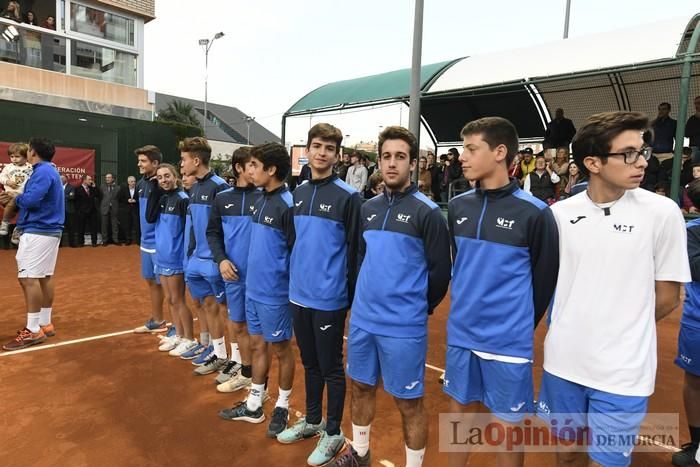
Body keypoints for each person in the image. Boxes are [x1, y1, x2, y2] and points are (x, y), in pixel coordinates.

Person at [536, 111, 691, 467]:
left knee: (606, 462)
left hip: (623, 372)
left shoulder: (663, 213)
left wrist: (623, 327)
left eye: (642, 152)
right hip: (563, 364)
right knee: (568, 457)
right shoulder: (560, 215)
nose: (641, 163)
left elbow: (668, 295)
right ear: (592, 162)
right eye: (628, 154)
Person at [330, 126, 451, 467]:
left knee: (408, 402)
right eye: (386, 156)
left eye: (400, 157)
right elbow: (359, 259)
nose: (392, 163)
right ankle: (361, 454)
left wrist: (417, 306)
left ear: (412, 163)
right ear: (378, 162)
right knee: (361, 387)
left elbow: (440, 272)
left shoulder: (427, 212)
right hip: (364, 321)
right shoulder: (367, 208)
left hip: (403, 326)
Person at [444, 117, 559, 467]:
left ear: (499, 152)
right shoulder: (458, 206)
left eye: (471, 149)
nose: (463, 156)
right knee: (459, 418)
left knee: (507, 429)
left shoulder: (535, 213)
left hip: (507, 342)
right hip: (462, 334)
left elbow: (544, 280)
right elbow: (459, 265)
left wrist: (517, 324)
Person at [276, 123, 361, 465]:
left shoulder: (349, 197)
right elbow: (293, 242)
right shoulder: (296, 194)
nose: (322, 152)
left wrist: (349, 297)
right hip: (299, 294)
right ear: (306, 151)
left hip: (330, 298)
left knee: (330, 367)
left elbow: (356, 251)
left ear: (337, 155)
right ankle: (313, 421)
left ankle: (334, 432)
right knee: (309, 362)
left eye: (329, 147)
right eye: (317, 146)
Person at [218, 143, 296, 440]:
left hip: (275, 294)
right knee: (257, 345)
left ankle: (283, 406)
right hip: (252, 290)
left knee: (282, 350)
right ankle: (255, 404)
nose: (248, 171)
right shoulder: (261, 199)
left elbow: (295, 254)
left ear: (271, 170)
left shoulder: (287, 205)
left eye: (254, 165)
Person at [206, 147, 262, 393]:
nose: (255, 169)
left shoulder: (266, 197)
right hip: (233, 275)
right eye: (251, 164)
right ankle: (247, 372)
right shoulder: (222, 199)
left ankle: (263, 382)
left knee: (262, 333)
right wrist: (221, 260)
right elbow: (213, 233)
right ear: (239, 168)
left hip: (262, 278)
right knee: (238, 325)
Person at [1, 138, 63, 350]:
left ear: (33, 152)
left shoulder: (42, 172)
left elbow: (32, 200)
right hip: (46, 230)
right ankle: (44, 323)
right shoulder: (48, 171)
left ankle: (33, 329)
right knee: (44, 276)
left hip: (39, 230)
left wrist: (15, 199)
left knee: (28, 278)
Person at [179, 136, 231, 376]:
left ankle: (225, 356)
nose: (182, 165)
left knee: (218, 307)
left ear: (196, 160)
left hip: (213, 260)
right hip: (197, 259)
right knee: (205, 304)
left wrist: (219, 257)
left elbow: (224, 227)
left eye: (184, 160)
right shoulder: (195, 186)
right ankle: (216, 352)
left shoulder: (219, 187)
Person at [145, 163, 198, 357]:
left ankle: (189, 339)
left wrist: (186, 256)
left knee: (178, 299)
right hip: (162, 256)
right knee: (170, 299)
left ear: (175, 176)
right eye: (159, 178)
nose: (164, 180)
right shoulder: (162, 197)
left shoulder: (183, 199)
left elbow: (189, 230)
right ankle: (178, 333)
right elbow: (149, 218)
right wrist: (153, 190)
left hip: (176, 258)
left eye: (167, 176)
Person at [673, 178, 700, 467]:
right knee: (695, 381)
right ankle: (696, 442)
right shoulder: (692, 232)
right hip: (698, 321)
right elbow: (695, 267)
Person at [132, 145, 168, 334]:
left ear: (155, 163)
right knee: (151, 282)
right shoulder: (140, 184)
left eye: (143, 161)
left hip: (160, 244)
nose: (139, 164)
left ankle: (178, 330)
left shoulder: (163, 186)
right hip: (145, 243)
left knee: (168, 287)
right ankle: (158, 320)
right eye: (139, 160)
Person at [0, 143, 32, 240]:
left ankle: (18, 229)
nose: (14, 159)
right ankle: (5, 223)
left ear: (26, 156)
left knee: (25, 212)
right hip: (10, 194)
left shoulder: (30, 167)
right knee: (10, 205)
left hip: (24, 195)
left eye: (17, 156)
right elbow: (1, 177)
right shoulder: (8, 167)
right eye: (12, 156)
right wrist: (8, 182)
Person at [74, 174, 99, 247]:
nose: (91, 181)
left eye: (91, 179)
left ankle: (94, 242)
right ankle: (80, 242)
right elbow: (76, 201)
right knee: (81, 228)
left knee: (94, 228)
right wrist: (79, 210)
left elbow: (97, 195)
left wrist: (94, 187)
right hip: (82, 212)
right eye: (89, 179)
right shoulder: (78, 189)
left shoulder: (92, 188)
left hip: (92, 211)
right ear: (84, 180)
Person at [116, 176, 139, 245]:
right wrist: (127, 200)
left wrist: (136, 200)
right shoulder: (123, 189)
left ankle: (138, 241)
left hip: (135, 210)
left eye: (134, 181)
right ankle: (128, 240)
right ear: (128, 182)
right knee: (127, 225)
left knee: (137, 225)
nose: (133, 183)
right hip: (126, 210)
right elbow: (119, 198)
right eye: (132, 181)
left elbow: (141, 198)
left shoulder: (138, 189)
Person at [99, 173, 120, 246]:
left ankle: (116, 240)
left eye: (109, 177)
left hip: (114, 208)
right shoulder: (102, 187)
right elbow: (99, 198)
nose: (107, 179)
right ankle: (104, 241)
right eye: (106, 177)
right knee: (104, 225)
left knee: (115, 225)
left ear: (113, 179)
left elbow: (119, 198)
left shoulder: (117, 187)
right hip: (104, 208)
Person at [61, 175, 77, 247]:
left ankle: (72, 244)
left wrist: (62, 195)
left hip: (69, 211)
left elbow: (72, 196)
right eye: (60, 178)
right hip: (60, 212)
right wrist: (66, 195)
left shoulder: (71, 187)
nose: (61, 179)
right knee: (60, 228)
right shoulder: (57, 187)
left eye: (63, 178)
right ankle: (59, 244)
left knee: (71, 228)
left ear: (66, 180)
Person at [686, 96, 700, 163]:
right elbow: (686, 134)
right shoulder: (692, 119)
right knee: (694, 166)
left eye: (699, 103)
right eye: (696, 103)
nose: (697, 106)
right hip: (695, 147)